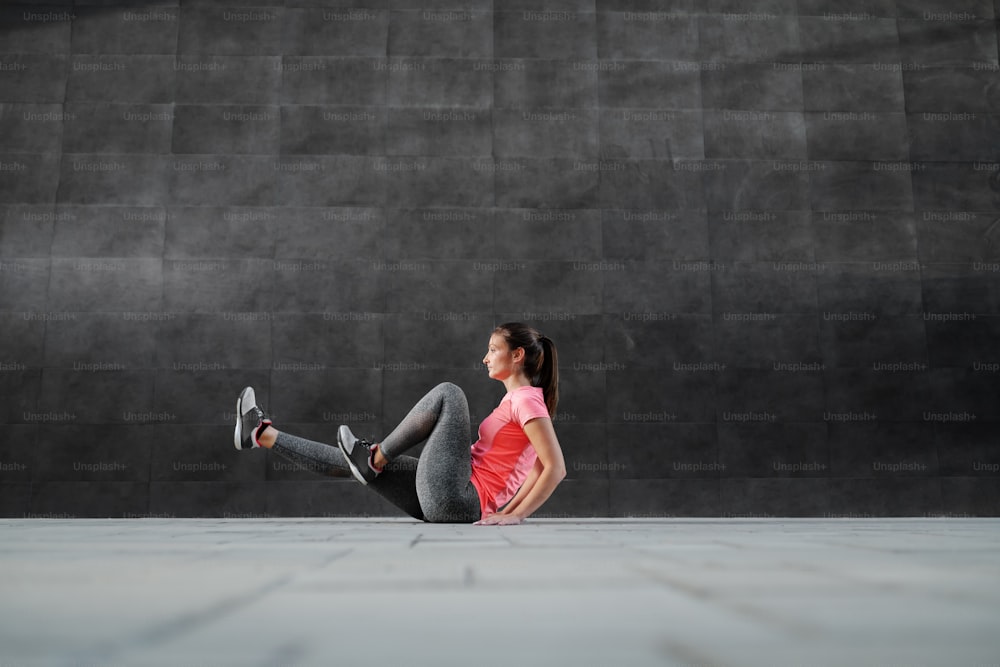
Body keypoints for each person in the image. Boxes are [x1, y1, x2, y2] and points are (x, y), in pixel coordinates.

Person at [232, 322, 566, 525]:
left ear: (518, 355)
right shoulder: (518, 401)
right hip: (451, 501)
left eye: (493, 350)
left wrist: (515, 514)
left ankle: (374, 458)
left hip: (460, 498)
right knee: (353, 464)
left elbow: (554, 468)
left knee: (450, 394)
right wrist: (509, 511)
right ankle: (261, 434)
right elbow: (536, 468)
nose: (485, 357)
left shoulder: (526, 399)